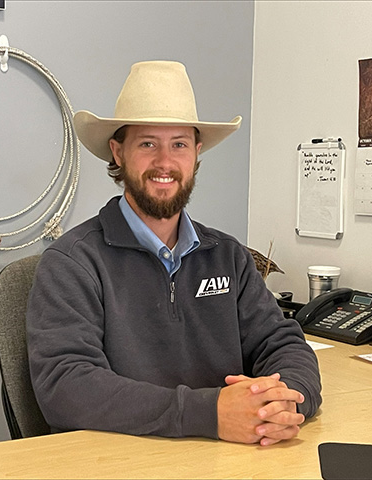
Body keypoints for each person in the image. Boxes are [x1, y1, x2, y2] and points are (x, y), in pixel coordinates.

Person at [26, 61, 322, 447]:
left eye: (179, 144)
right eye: (148, 143)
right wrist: (209, 413)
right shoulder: (73, 263)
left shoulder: (229, 257)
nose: (165, 162)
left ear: (197, 153)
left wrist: (282, 404)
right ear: (118, 152)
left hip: (225, 462)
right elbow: (65, 387)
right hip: (115, 466)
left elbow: (283, 345)